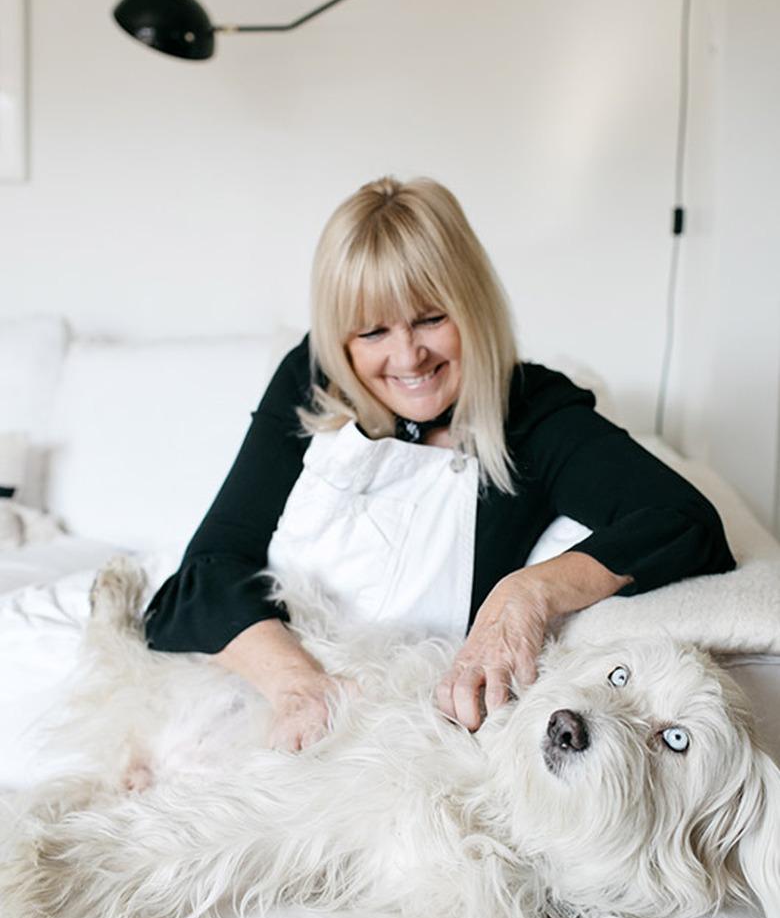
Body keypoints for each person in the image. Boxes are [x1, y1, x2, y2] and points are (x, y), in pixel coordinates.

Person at [144, 176, 735, 751]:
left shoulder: (534, 413)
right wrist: (301, 687)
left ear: (472, 305)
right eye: (373, 331)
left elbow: (685, 520)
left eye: (431, 318)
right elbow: (208, 569)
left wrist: (526, 593)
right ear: (339, 341)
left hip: (401, 741)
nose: (409, 356)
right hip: (273, 699)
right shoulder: (311, 376)